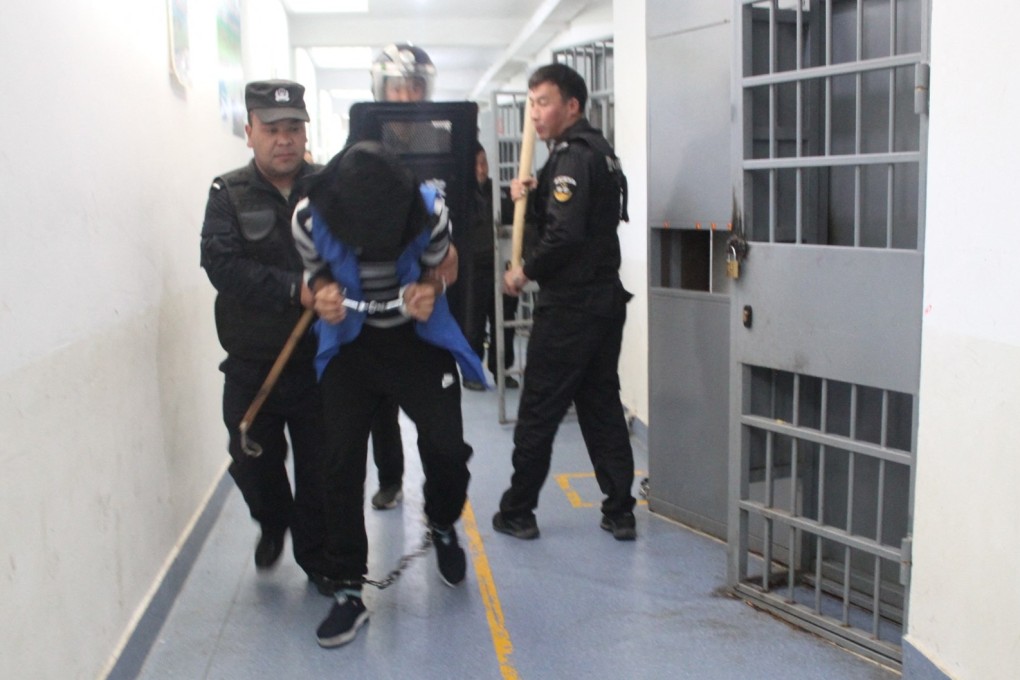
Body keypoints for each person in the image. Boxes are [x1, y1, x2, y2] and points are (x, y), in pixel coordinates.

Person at [292, 141, 484, 648]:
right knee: (339, 461)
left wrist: (432, 288)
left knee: (446, 447)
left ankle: (442, 521)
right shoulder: (310, 217)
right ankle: (348, 589)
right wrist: (323, 295)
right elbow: (314, 278)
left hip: (414, 340)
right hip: (351, 345)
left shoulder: (428, 209)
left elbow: (448, 267)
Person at [491, 63, 637, 542]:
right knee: (600, 404)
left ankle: (518, 510)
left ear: (571, 106)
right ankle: (620, 511)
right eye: (531, 103)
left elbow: (565, 236)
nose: (534, 113)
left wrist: (523, 272)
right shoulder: (599, 152)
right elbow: (580, 219)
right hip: (604, 302)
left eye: (544, 102)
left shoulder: (572, 158)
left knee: (538, 408)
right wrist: (530, 197)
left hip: (571, 307)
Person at [199, 79, 334, 592]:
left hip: (320, 361)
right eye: (273, 129)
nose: (284, 139)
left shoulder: (330, 185)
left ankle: (316, 557)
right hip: (254, 362)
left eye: (293, 128)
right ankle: (272, 519)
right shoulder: (228, 193)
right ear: (250, 132)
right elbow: (222, 265)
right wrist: (295, 289)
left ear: (305, 133)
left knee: (321, 470)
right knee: (250, 458)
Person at [461, 142, 519, 391]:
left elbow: (514, 225)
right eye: (476, 164)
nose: (482, 169)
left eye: (484, 162)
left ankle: (501, 370)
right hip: (473, 268)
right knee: (473, 322)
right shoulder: (460, 195)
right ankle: (472, 372)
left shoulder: (500, 193)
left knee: (504, 321)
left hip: (500, 266)